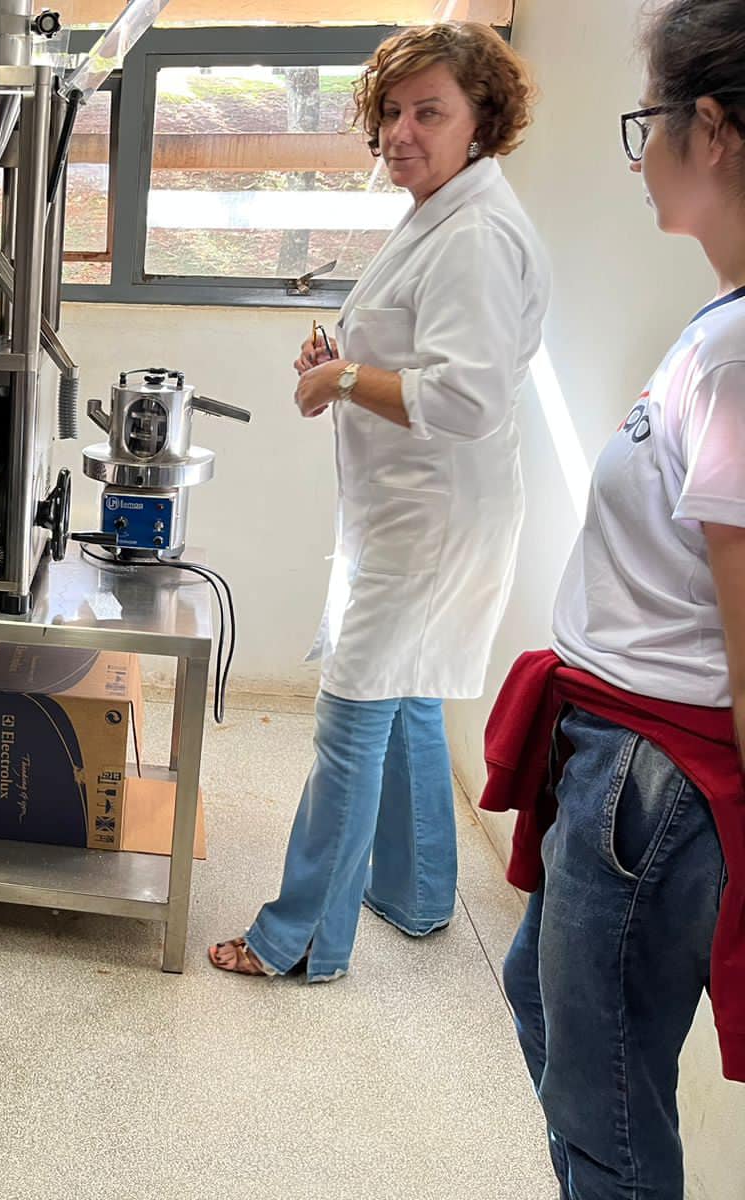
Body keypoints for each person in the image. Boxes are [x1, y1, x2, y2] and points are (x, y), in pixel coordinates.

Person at [210, 22, 550, 981]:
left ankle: (300, 941)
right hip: (421, 510)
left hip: (430, 521)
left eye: (429, 112)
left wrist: (344, 379)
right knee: (403, 699)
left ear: (483, 120)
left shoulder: (475, 231)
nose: (402, 131)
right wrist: (348, 365)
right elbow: (424, 356)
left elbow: (466, 397)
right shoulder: (443, 209)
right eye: (392, 112)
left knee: (354, 712)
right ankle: (416, 890)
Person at [485, 1, 745, 1193]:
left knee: (608, 1106)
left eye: (645, 125)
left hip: (650, 774)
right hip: (613, 750)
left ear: (711, 130)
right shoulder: (716, 329)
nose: (636, 154)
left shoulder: (738, 356)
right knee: (561, 1029)